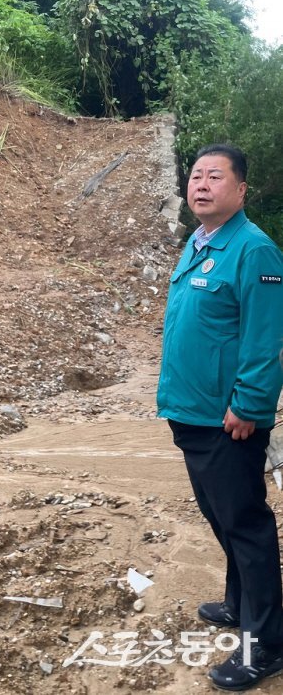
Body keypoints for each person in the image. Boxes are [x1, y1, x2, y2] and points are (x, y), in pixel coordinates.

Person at [157, 143, 283, 691]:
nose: (200, 184)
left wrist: (250, 405)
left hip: (227, 420)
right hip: (191, 411)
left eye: (214, 176)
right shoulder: (199, 242)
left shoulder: (254, 251)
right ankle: (239, 603)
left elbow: (267, 339)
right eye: (195, 175)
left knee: (247, 526)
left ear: (240, 190)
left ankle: (268, 646)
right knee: (219, 515)